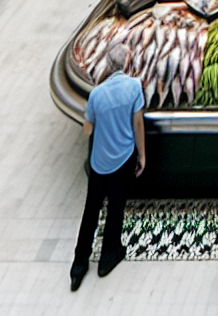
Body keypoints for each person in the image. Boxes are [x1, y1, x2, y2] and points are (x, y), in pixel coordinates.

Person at [70, 43, 146, 290]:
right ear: (126, 63)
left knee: (91, 211)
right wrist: (142, 155)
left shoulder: (96, 95)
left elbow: (87, 129)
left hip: (99, 162)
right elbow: (138, 123)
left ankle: (79, 265)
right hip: (123, 158)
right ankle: (108, 257)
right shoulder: (134, 87)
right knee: (116, 207)